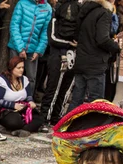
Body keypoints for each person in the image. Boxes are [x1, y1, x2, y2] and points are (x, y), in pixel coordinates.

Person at [68, 0, 120, 111]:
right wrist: (116, 46)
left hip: (82, 60)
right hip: (95, 63)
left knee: (76, 99)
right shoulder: (104, 13)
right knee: (96, 102)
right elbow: (102, 39)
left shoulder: (85, 10)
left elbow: (77, 35)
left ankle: (67, 126)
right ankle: (91, 127)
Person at [39, 0, 79, 131]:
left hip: (72, 58)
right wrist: (70, 44)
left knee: (65, 90)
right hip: (57, 58)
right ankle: (45, 117)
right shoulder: (55, 21)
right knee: (53, 88)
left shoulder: (79, 25)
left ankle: (57, 116)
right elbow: (53, 39)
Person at [7, 0, 52, 99]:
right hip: (16, 46)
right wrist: (20, 48)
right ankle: (11, 100)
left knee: (31, 78)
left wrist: (39, 51)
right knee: (14, 74)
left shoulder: (47, 8)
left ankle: (27, 102)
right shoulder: (22, 3)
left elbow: (45, 32)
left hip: (33, 49)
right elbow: (14, 26)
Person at [0, 56, 44, 137]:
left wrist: (30, 101)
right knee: (14, 122)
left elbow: (29, 95)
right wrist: (13, 105)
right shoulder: (1, 81)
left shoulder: (24, 79)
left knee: (40, 117)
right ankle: (28, 128)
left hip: (22, 107)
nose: (21, 70)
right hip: (6, 109)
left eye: (23, 67)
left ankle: (24, 130)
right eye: (18, 68)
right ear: (11, 68)